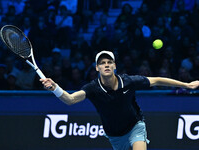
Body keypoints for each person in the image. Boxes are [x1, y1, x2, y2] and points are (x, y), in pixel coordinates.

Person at [40, 50, 199, 150]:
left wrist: (186, 84)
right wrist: (55, 88)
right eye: (102, 63)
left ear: (115, 66)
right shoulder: (92, 88)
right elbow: (70, 100)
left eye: (109, 62)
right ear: (97, 68)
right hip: (114, 136)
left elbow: (157, 80)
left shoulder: (129, 81)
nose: (106, 65)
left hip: (135, 126)